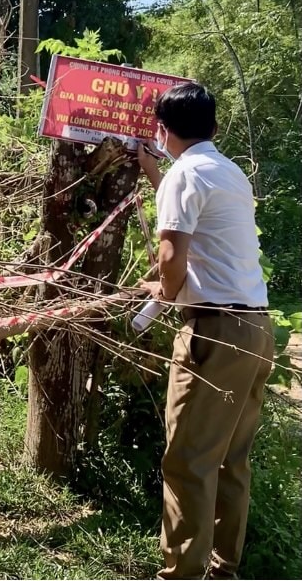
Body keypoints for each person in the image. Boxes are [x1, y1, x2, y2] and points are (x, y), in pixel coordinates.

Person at [135, 82, 274, 580]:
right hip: (256, 329)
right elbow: (198, 225)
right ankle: (222, 569)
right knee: (230, 461)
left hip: (213, 333)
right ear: (215, 128)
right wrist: (154, 172)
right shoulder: (229, 173)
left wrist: (160, 290)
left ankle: (183, 574)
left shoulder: (184, 175)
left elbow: (172, 256)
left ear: (162, 130)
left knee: (189, 461)